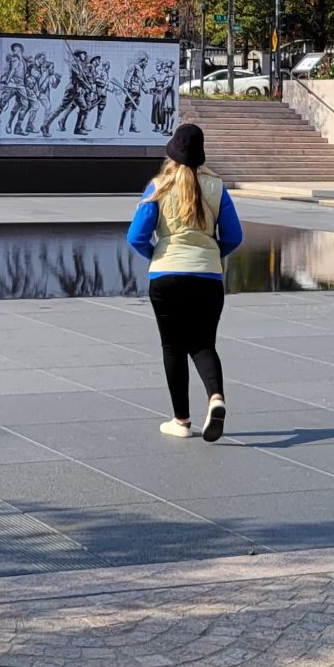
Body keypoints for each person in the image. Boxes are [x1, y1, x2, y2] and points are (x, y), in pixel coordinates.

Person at [126, 122, 243, 442]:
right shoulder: (217, 187)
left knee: (172, 347)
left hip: (166, 276)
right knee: (203, 343)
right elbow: (234, 236)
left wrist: (158, 254)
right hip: (207, 276)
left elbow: (136, 236)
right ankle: (216, 398)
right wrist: (211, 253)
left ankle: (181, 420)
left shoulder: (159, 186)